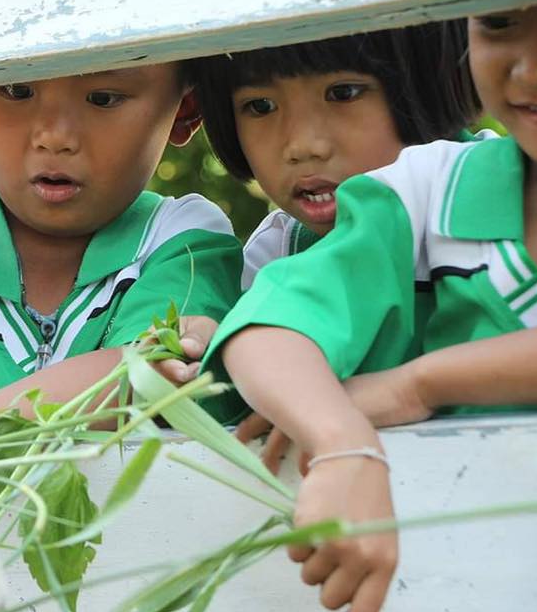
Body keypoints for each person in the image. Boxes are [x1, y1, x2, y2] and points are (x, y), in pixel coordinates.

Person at [201, 4, 537, 612]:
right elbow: (267, 331)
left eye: (343, 92)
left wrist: (414, 384)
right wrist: (341, 441)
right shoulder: (421, 190)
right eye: (501, 21)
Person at [0, 64, 243, 441]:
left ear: (186, 111)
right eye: (17, 90)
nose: (55, 136)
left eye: (103, 98)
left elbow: (147, 373)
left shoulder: (181, 242)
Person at [175, 21, 481, 429]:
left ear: (427, 78)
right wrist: (190, 368)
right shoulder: (277, 250)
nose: (303, 146)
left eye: (343, 93)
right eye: (261, 107)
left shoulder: (505, 193)